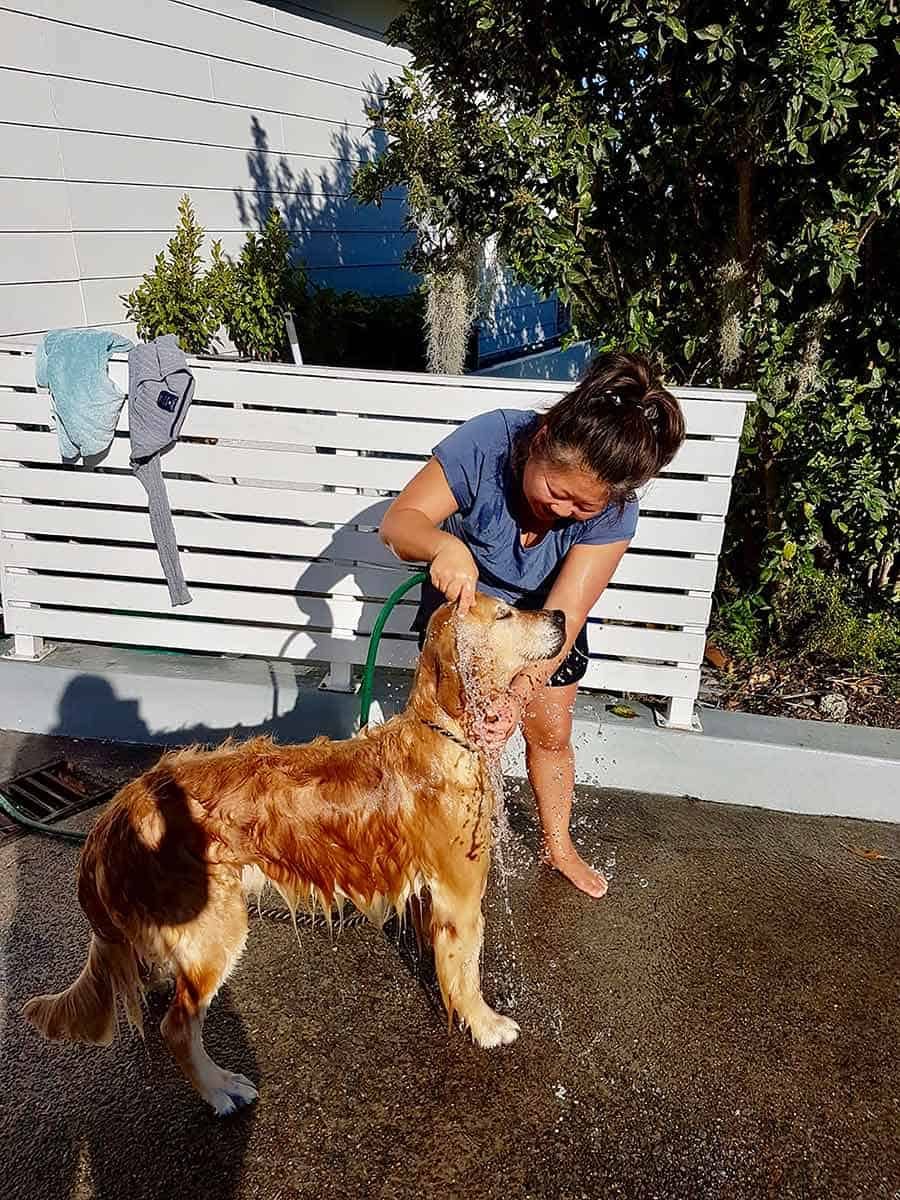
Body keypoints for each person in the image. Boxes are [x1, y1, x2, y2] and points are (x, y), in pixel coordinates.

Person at [379, 350, 685, 898]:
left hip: (545, 618)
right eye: (558, 492)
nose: (564, 511)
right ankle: (443, 844)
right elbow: (399, 522)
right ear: (542, 439)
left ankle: (558, 844)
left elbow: (567, 611)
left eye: (582, 508)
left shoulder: (615, 513)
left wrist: (519, 696)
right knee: (465, 738)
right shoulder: (489, 442)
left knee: (549, 731)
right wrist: (442, 544)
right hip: (471, 606)